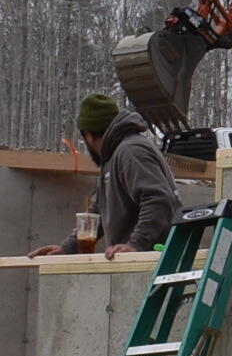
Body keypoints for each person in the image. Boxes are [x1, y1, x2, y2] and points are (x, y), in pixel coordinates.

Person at [30, 93, 180, 259]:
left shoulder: (131, 152)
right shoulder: (112, 156)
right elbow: (97, 213)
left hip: (155, 259)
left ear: (89, 136)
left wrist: (136, 245)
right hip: (138, 259)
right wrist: (67, 248)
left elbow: (159, 199)